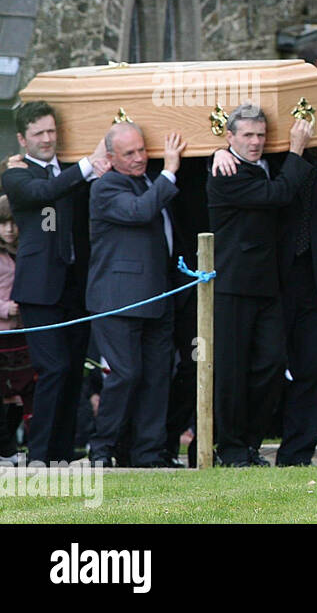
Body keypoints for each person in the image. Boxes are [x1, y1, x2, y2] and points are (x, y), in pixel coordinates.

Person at [213, 113, 317, 466]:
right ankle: (242, 446)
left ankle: (297, 455)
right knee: (266, 365)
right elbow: (245, 155)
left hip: (315, 279)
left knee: (312, 369)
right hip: (274, 280)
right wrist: (218, 151)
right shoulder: (275, 157)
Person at [2, 101, 109, 464]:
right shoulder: (17, 175)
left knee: (72, 371)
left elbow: (75, 189)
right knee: (53, 368)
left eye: (51, 131)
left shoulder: (72, 171)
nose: (48, 139)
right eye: (39, 133)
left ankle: (62, 454)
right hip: (38, 290)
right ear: (22, 139)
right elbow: (43, 195)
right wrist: (87, 164)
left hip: (75, 287)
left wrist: (92, 167)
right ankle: (40, 454)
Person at [206, 105, 312, 467]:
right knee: (232, 370)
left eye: (261, 135)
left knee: (270, 363)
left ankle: (249, 443)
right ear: (230, 136)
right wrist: (296, 151)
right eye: (247, 135)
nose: (255, 142)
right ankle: (231, 448)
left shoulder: (267, 162)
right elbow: (277, 195)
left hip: (267, 284)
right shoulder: (224, 170)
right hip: (233, 283)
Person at [85, 123, 184, 467]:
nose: (140, 158)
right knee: (125, 374)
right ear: (111, 158)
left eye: (143, 150)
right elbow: (139, 211)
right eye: (130, 153)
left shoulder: (146, 180)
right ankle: (102, 448)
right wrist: (169, 173)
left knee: (157, 377)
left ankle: (148, 452)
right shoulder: (107, 185)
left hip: (158, 295)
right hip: (120, 299)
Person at [0, 195, 34, 465]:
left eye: (13, 222)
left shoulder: (28, 251)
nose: (9, 229)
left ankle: (11, 448)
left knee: (20, 394)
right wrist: (3, 308)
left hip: (21, 335)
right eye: (3, 224)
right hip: (1, 334)